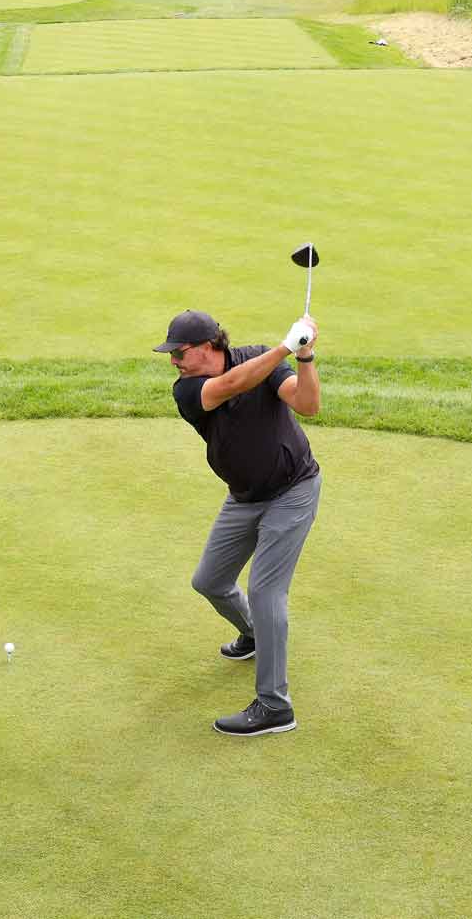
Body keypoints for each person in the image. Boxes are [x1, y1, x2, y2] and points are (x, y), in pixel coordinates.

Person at [156, 309, 322, 737]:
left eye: (180, 351)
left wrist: (303, 357)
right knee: (209, 580)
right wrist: (286, 345)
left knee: (266, 589)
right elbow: (232, 384)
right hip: (244, 497)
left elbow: (309, 405)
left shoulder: (260, 359)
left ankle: (274, 706)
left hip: (293, 489)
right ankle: (253, 634)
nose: (173, 360)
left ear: (210, 346)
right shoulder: (187, 390)